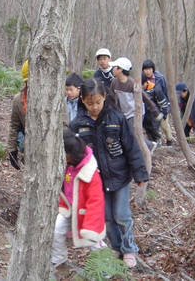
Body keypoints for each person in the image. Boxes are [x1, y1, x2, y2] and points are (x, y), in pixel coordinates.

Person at [69, 78, 149, 268]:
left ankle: (129, 248)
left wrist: (140, 174)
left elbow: (131, 147)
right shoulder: (77, 124)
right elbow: (74, 155)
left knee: (122, 215)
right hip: (95, 180)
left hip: (119, 176)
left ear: (105, 97)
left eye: (98, 102)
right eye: (90, 103)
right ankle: (116, 246)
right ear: (82, 100)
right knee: (107, 217)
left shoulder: (117, 118)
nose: (94, 107)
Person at [51, 129, 107, 266]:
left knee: (92, 241)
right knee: (55, 229)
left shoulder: (90, 174)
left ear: (71, 154)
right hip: (68, 208)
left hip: (85, 213)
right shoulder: (66, 166)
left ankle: (105, 264)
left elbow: (96, 201)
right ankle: (59, 258)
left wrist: (91, 225)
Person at [109, 57, 158, 153]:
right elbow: (111, 98)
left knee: (133, 132)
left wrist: (155, 111)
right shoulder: (114, 82)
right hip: (124, 112)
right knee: (127, 132)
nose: (112, 69)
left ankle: (149, 146)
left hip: (136, 112)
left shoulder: (132, 83)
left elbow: (144, 97)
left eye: (114, 67)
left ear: (121, 69)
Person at [142, 60, 173, 146]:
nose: (148, 71)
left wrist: (167, 107)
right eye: (145, 69)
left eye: (149, 69)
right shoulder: (142, 79)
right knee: (151, 127)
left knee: (164, 126)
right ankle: (155, 142)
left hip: (161, 105)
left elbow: (165, 92)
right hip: (149, 108)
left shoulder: (160, 78)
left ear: (153, 69)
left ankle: (169, 139)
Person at [7, 60, 29, 170]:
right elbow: (14, 125)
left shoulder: (55, 99)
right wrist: (12, 150)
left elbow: (64, 125)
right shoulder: (18, 100)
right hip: (30, 151)